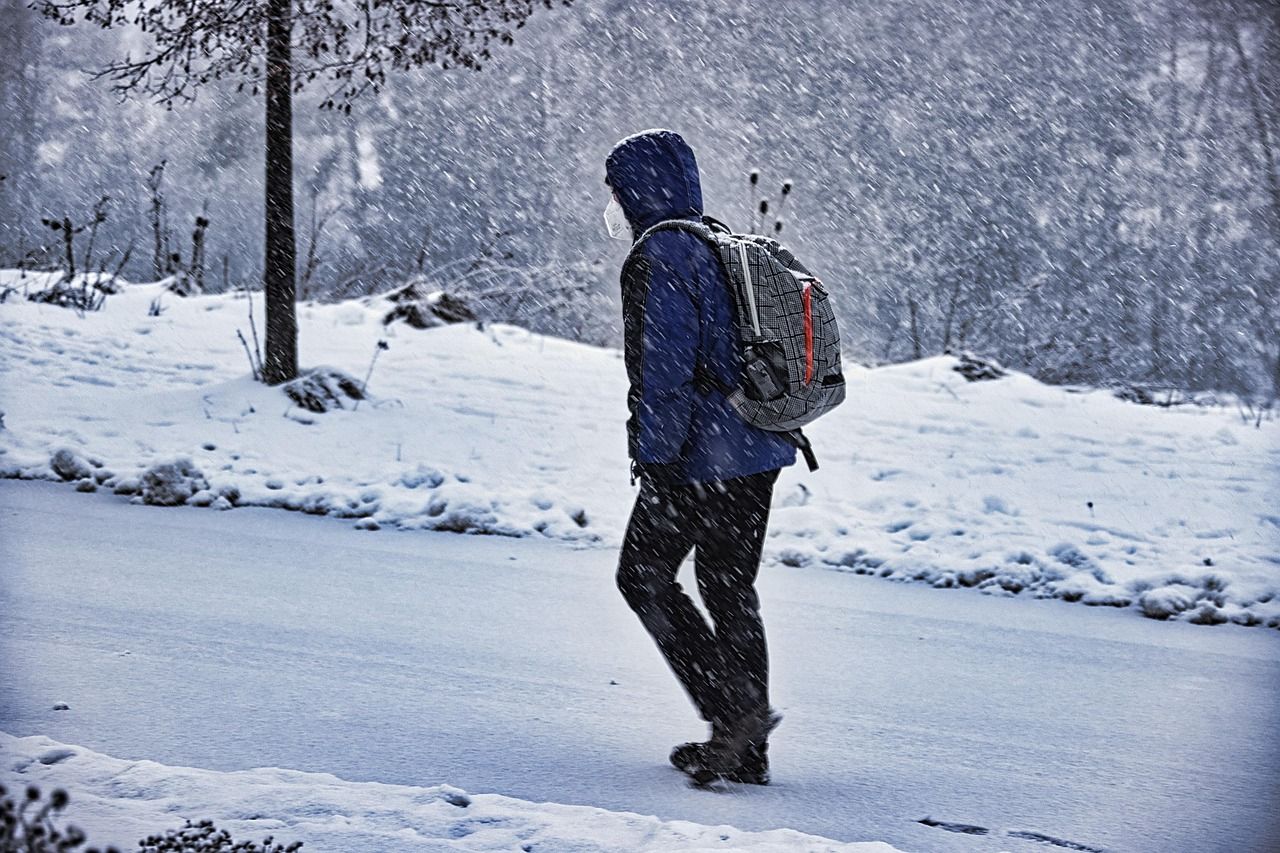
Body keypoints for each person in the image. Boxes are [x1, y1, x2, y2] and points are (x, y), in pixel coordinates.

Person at [605, 129, 796, 785]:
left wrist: (656, 463)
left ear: (637, 191)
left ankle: (733, 712)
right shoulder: (716, 241)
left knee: (642, 577)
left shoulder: (661, 255)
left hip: (700, 457)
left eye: (616, 192)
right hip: (759, 445)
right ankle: (747, 751)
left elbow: (664, 374)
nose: (614, 206)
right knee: (729, 586)